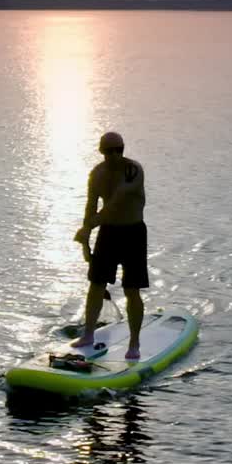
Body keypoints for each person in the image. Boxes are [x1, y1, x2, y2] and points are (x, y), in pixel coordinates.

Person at [72, 131, 148, 360]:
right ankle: (88, 334)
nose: (115, 155)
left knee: (131, 289)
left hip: (133, 232)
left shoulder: (133, 170)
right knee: (96, 284)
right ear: (102, 152)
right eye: (110, 151)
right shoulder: (96, 174)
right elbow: (91, 205)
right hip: (108, 233)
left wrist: (90, 225)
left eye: (119, 150)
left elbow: (117, 201)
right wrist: (86, 238)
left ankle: (134, 343)